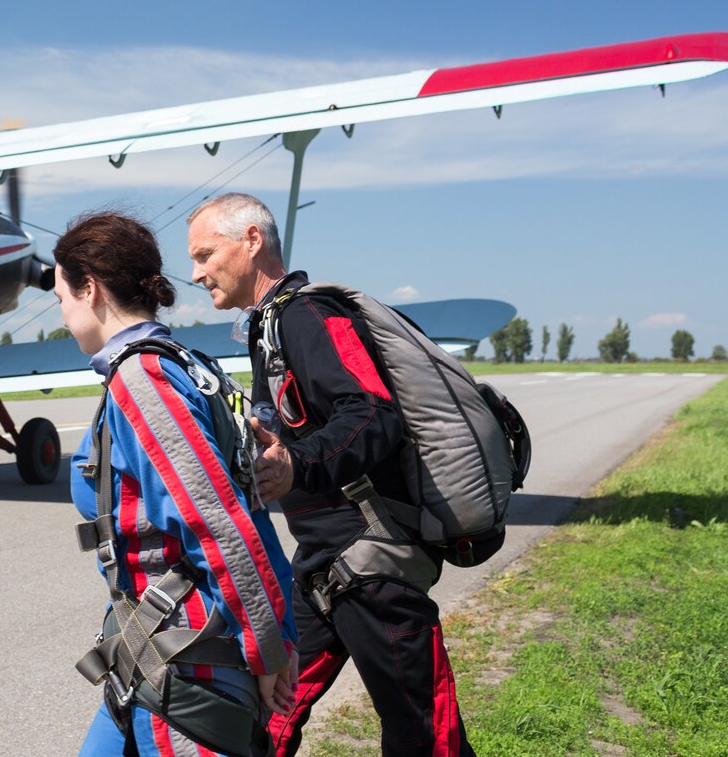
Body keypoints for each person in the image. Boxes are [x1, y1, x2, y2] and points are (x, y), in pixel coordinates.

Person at [185, 193, 474, 757]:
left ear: (251, 241)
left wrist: (300, 463)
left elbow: (371, 411)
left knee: (424, 735)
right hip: (323, 567)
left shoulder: (306, 315)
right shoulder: (268, 325)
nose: (196, 272)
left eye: (204, 253)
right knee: (266, 712)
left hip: (373, 565)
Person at [55, 210, 299, 757]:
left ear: (89, 290)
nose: (63, 315)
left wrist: (267, 648)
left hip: (188, 662)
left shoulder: (144, 379)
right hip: (148, 650)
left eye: (62, 298)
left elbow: (220, 523)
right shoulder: (182, 364)